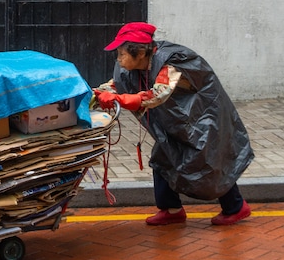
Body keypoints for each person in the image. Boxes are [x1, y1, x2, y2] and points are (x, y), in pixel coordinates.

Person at [93, 22, 254, 226]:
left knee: (209, 160)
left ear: (140, 53)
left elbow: (158, 94)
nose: (119, 60)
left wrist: (120, 99)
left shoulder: (173, 62)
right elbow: (116, 84)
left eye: (122, 54)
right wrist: (98, 94)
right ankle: (171, 209)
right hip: (175, 120)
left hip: (203, 118)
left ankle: (236, 206)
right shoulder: (131, 67)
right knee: (163, 158)